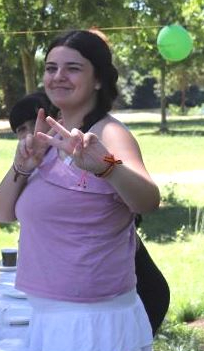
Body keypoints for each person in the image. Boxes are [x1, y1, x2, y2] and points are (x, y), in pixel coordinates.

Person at [0, 30, 159, 351]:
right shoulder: (50, 134)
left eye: (72, 68)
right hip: (70, 317)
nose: (58, 76)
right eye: (51, 68)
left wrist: (103, 164)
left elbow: (148, 199)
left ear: (98, 79)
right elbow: (2, 212)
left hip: (88, 322)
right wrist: (23, 166)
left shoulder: (107, 133)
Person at [9, 92, 170, 335]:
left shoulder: (94, 145)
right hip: (72, 306)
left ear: (56, 118)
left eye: (31, 124)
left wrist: (108, 168)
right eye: (19, 130)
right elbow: (1, 210)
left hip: (131, 294)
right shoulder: (37, 159)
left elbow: (144, 198)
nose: (27, 134)